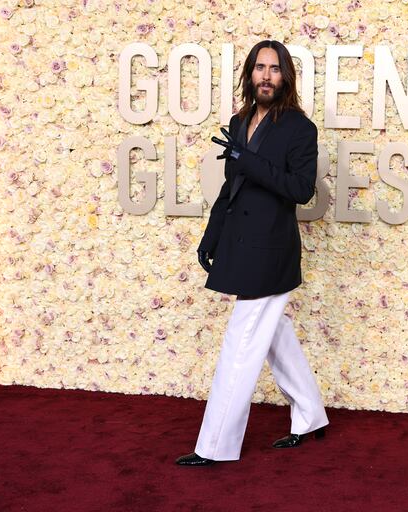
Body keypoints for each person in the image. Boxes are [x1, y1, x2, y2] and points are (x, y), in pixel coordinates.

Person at [175, 40, 329, 466]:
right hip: (240, 244)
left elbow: (301, 190)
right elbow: (232, 187)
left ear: (286, 77)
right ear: (249, 74)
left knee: (240, 342)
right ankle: (311, 416)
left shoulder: (300, 128)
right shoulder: (239, 120)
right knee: (274, 334)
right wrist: (212, 236)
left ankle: (215, 447)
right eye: (259, 67)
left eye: (274, 69)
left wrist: (248, 160)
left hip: (271, 251)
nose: (266, 75)